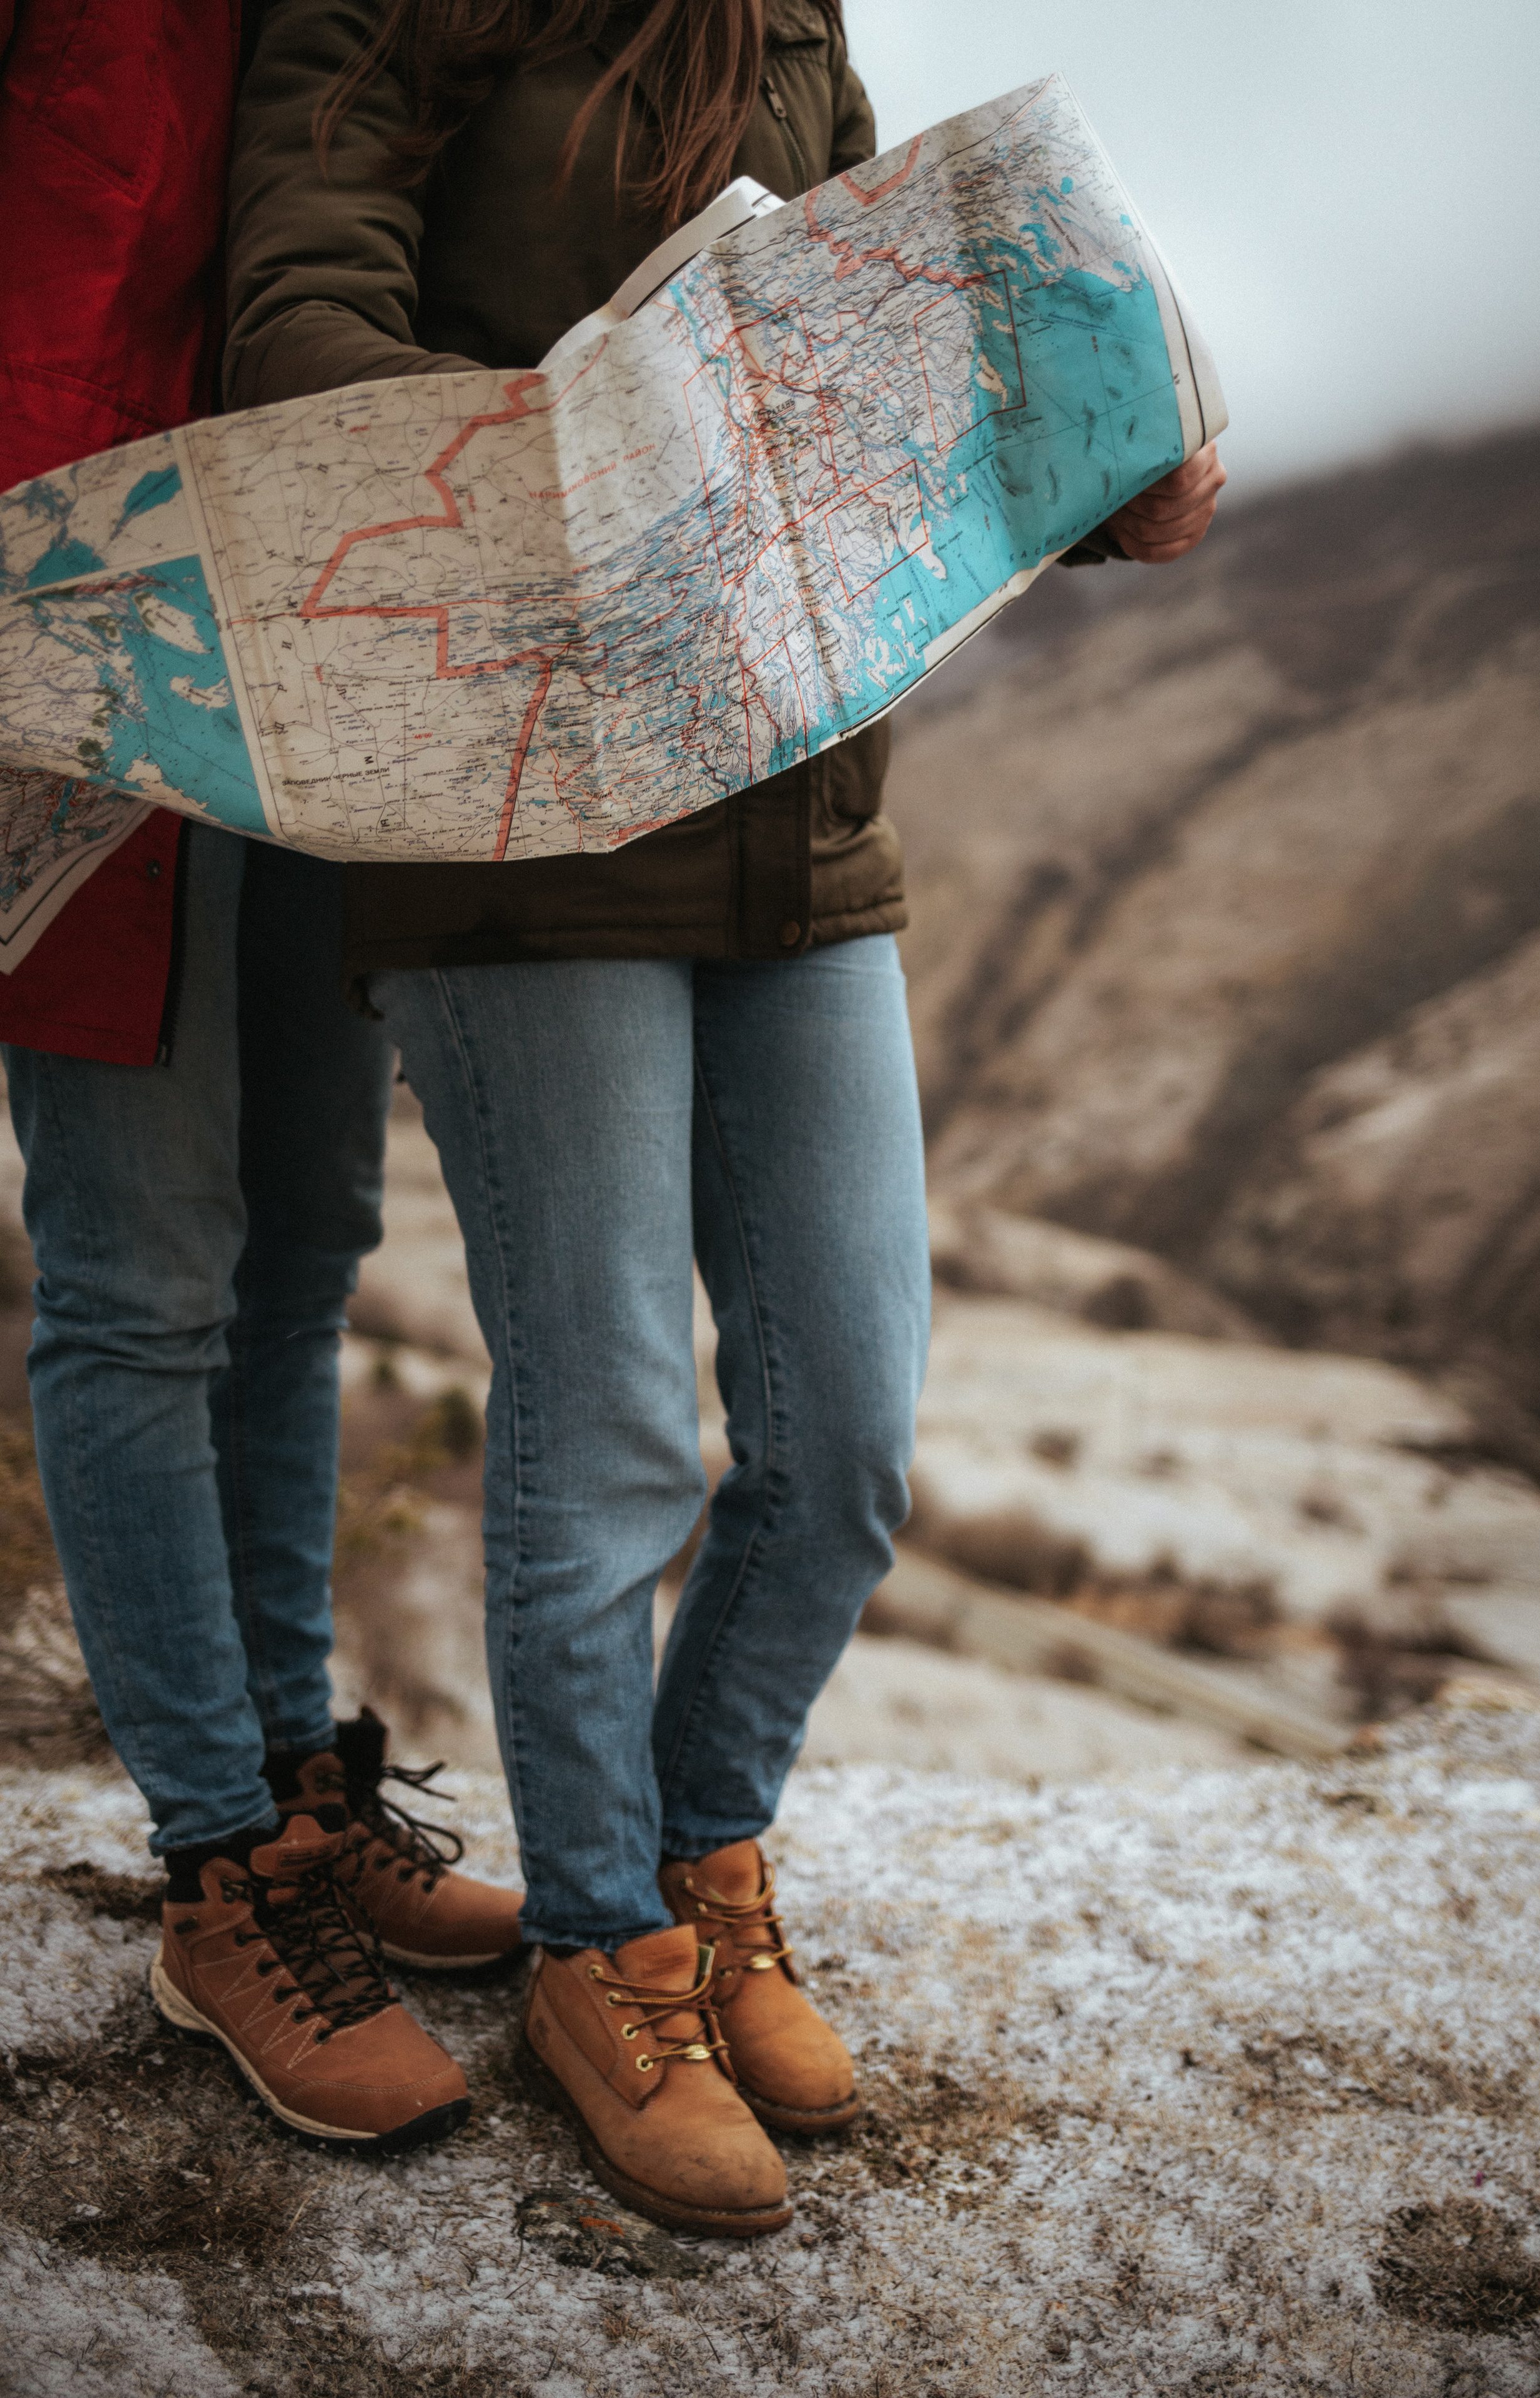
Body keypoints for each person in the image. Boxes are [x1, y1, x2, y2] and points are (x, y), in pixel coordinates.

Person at [224, 0, 1223, 2233]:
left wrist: (1093, 465)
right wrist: (589, 458)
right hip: (528, 812)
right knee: (606, 1435)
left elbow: (877, 363)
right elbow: (286, 332)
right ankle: (605, 1947)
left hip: (800, 807)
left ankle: (701, 1852)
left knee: (849, 1430)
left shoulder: (790, 9)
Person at [0, 0, 520, 2160]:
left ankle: (297, 1774)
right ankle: (221, 1867)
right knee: (143, 1271)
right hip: (70, 609)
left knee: (306, 1237)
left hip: (307, 618)